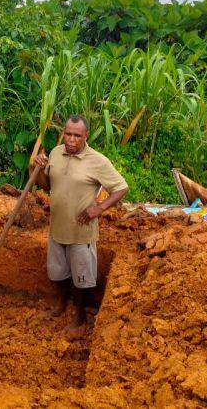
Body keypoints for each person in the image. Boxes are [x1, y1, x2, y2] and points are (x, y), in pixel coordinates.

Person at [33, 115, 128, 334]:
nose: (71, 139)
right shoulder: (56, 153)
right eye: (68, 134)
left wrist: (100, 208)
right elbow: (47, 185)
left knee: (82, 279)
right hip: (57, 228)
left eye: (77, 135)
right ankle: (59, 306)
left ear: (86, 136)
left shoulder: (97, 161)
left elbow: (122, 188)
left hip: (81, 232)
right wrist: (36, 169)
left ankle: (80, 318)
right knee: (58, 273)